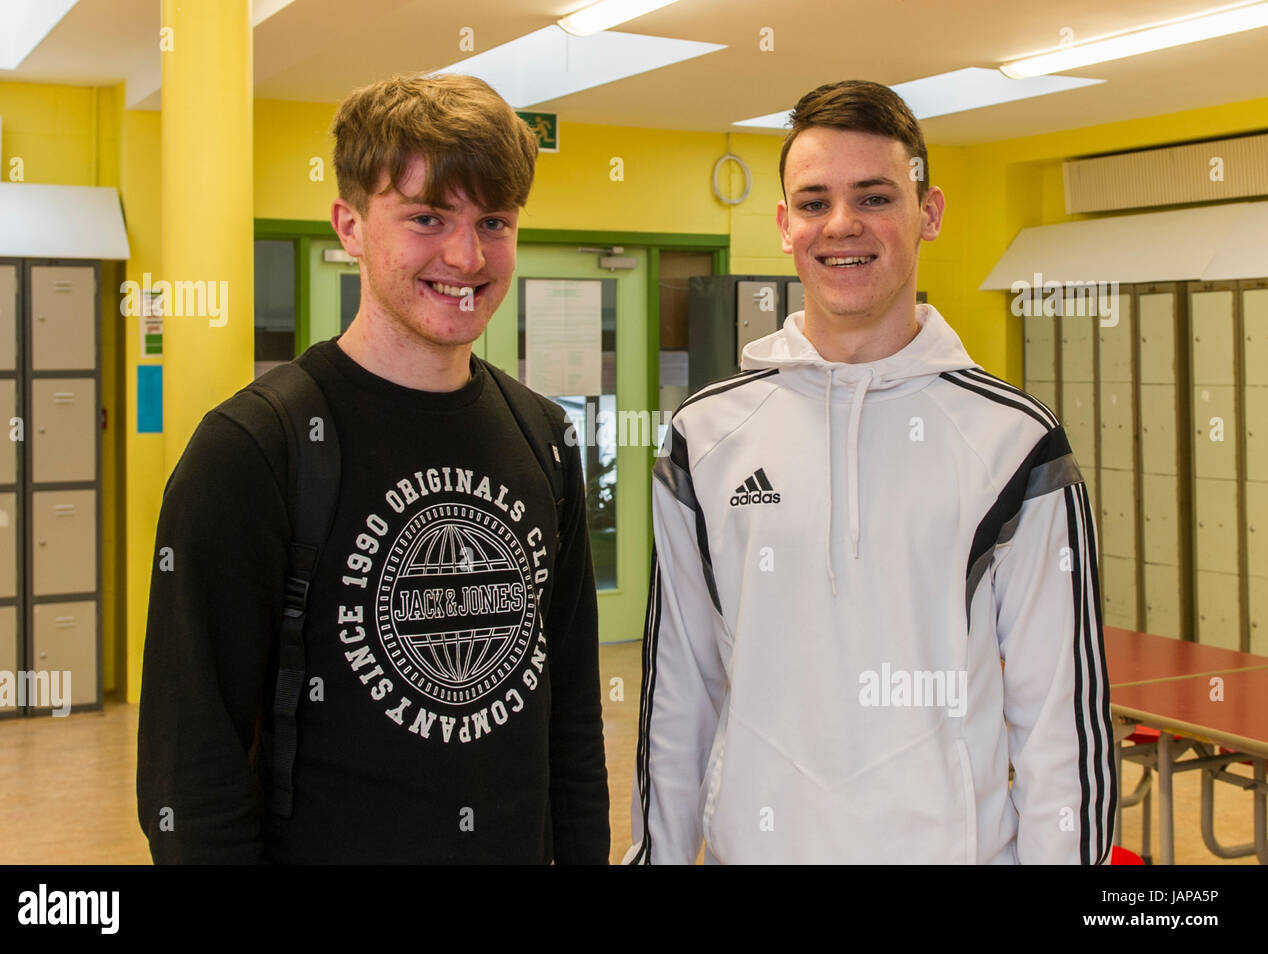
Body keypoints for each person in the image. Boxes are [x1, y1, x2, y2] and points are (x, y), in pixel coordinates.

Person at [627, 80, 1115, 864]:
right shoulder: (705, 437)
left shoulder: (1015, 444)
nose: (842, 225)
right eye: (814, 202)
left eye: (875, 197)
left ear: (929, 213)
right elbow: (680, 695)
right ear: (784, 224)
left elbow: (1061, 722)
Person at [137, 73, 609, 864]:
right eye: (428, 217)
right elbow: (193, 770)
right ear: (350, 226)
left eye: (493, 221)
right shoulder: (253, 450)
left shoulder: (544, 437)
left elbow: (570, 714)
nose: (467, 254)